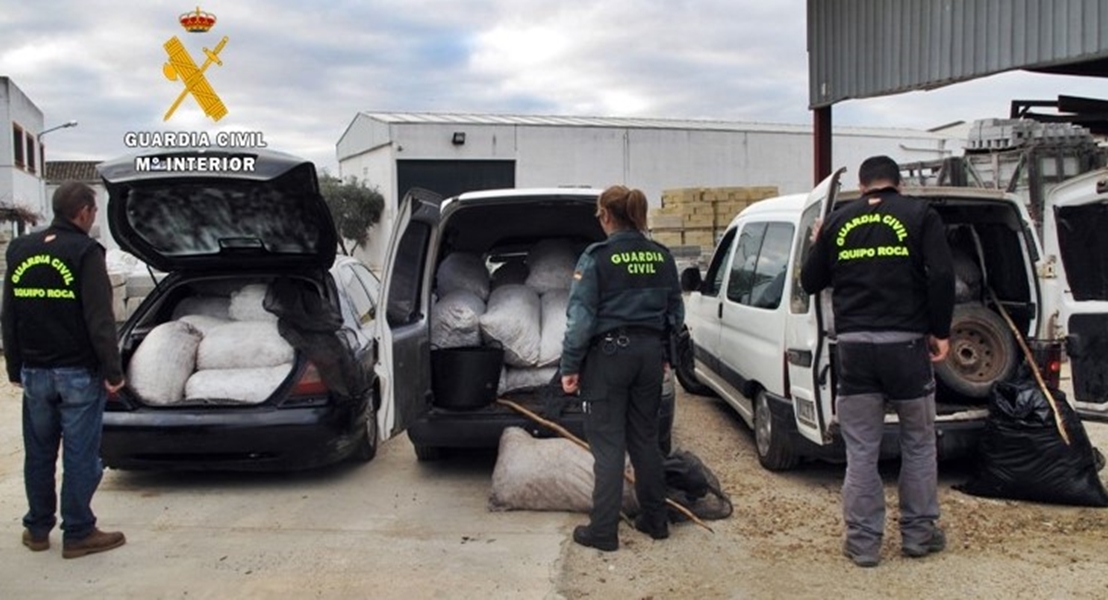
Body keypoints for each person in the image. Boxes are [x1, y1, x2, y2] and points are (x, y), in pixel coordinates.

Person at [801, 155, 955, 568]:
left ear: (865, 184)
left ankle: (864, 543)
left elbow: (810, 281)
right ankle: (919, 536)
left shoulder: (837, 221)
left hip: (854, 350)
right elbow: (942, 275)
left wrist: (819, 242)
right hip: (906, 347)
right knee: (919, 444)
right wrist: (940, 331)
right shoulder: (919, 215)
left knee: (862, 450)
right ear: (898, 184)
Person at [2, 181, 127, 559]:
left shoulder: (21, 249)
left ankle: (37, 529)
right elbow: (99, 319)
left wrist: (14, 366)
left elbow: (9, 313)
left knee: (38, 452)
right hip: (76, 374)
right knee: (80, 455)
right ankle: (78, 532)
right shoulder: (86, 252)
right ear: (86, 212)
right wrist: (113, 370)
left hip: (35, 372)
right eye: (92, 213)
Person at [561, 184, 684, 552]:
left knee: (608, 444)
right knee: (645, 439)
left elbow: (580, 319)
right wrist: (663, 352)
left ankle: (603, 530)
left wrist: (570, 365)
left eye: (599, 214)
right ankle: (656, 520)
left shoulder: (596, 258)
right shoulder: (661, 256)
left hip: (609, 357)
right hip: (649, 356)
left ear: (608, 216)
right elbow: (675, 313)